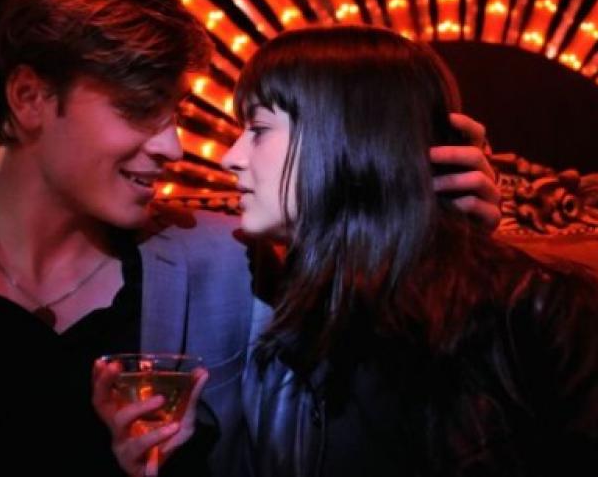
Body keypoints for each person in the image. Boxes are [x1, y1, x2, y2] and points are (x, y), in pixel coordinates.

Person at [0, 0, 499, 477]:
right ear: (30, 98)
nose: (174, 146)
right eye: (140, 109)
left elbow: (374, 398)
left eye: (172, 113)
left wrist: (439, 234)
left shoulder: (231, 255)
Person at [215, 25, 598, 476]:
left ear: (353, 135)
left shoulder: (539, 308)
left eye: (258, 129)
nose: (230, 157)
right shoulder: (289, 316)